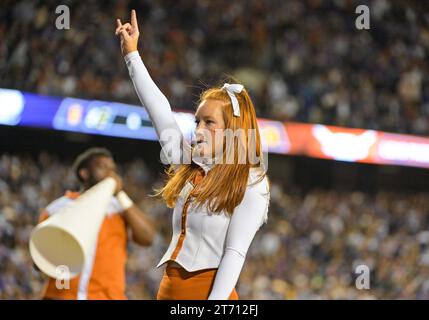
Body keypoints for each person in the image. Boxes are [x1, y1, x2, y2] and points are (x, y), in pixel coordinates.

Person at [116, 10, 270, 300]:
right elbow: (160, 113)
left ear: (232, 129)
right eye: (197, 121)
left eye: (209, 122)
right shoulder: (191, 164)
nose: (198, 129)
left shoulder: (252, 181)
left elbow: (235, 253)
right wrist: (132, 55)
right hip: (168, 291)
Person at [37, 147, 155, 300]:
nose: (110, 174)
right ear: (84, 173)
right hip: (62, 294)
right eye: (102, 167)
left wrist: (120, 194)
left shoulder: (119, 208)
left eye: (113, 169)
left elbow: (147, 238)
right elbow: (39, 257)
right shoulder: (59, 207)